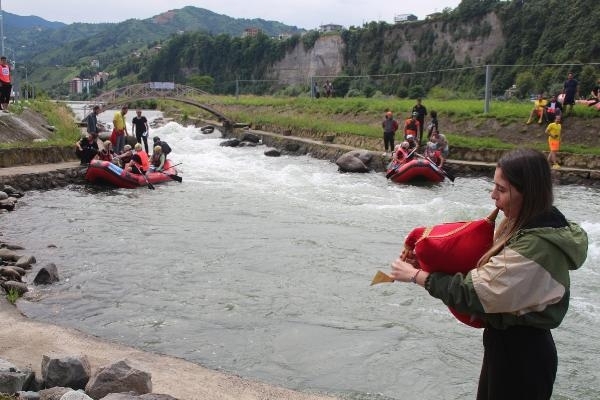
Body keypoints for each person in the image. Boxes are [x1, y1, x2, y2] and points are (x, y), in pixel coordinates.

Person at [389, 148, 588, 400]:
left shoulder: (535, 246)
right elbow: (488, 271)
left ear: (528, 192)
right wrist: (428, 261)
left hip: (522, 357)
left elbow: (474, 293)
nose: (493, 196)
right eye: (494, 187)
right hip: (510, 347)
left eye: (502, 190)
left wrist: (417, 275)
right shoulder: (529, 224)